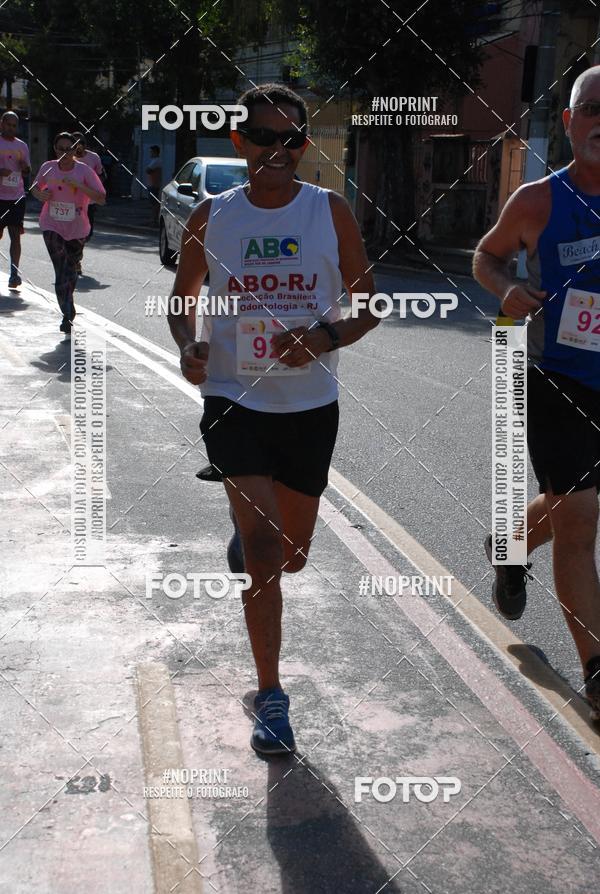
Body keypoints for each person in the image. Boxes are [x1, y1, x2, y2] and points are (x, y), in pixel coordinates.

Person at [167, 83, 378, 754]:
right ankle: (272, 695)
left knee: (291, 556)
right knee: (264, 554)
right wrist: (189, 346)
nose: (278, 150)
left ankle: (252, 542)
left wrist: (322, 338)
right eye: (265, 138)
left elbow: (368, 305)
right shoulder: (213, 215)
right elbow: (183, 299)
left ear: (304, 145)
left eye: (292, 139)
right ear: (240, 142)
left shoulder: (329, 211)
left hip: (309, 406)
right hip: (233, 400)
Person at [473, 65, 600, 719]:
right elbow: (486, 256)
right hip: (559, 378)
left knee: (573, 505)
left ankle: (511, 546)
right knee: (580, 519)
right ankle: (597, 668)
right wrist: (506, 290)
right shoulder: (537, 201)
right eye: (594, 108)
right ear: (571, 121)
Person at [31, 132, 105, 335]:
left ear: (75, 150)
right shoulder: (48, 168)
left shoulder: (84, 171)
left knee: (70, 271)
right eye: (60, 149)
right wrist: (40, 194)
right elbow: (34, 187)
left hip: (77, 228)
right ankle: (66, 313)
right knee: (61, 269)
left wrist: (79, 185)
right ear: (55, 150)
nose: (64, 153)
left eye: (68, 149)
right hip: (51, 224)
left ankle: (69, 304)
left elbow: (101, 198)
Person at [0, 110, 31, 288]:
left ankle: (14, 274)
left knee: (15, 237)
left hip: (16, 197)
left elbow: (27, 171)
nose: (11, 128)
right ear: (1, 123)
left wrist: (24, 167)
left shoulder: (22, 146)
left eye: (14, 125)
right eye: (8, 124)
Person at [71, 131, 106, 262]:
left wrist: (97, 191)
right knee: (72, 230)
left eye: (80, 143)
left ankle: (77, 254)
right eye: (74, 144)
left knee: (87, 232)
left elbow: (100, 176)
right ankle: (74, 259)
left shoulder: (93, 158)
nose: (77, 147)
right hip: (70, 201)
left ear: (85, 145)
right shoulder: (67, 157)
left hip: (89, 202)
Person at [145, 145, 162, 225]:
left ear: (155, 152)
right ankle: (154, 218)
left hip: (154, 184)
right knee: (153, 202)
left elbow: (148, 170)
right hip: (152, 183)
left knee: (154, 202)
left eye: (151, 152)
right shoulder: (155, 161)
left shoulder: (156, 161)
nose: (150, 153)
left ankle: (154, 219)